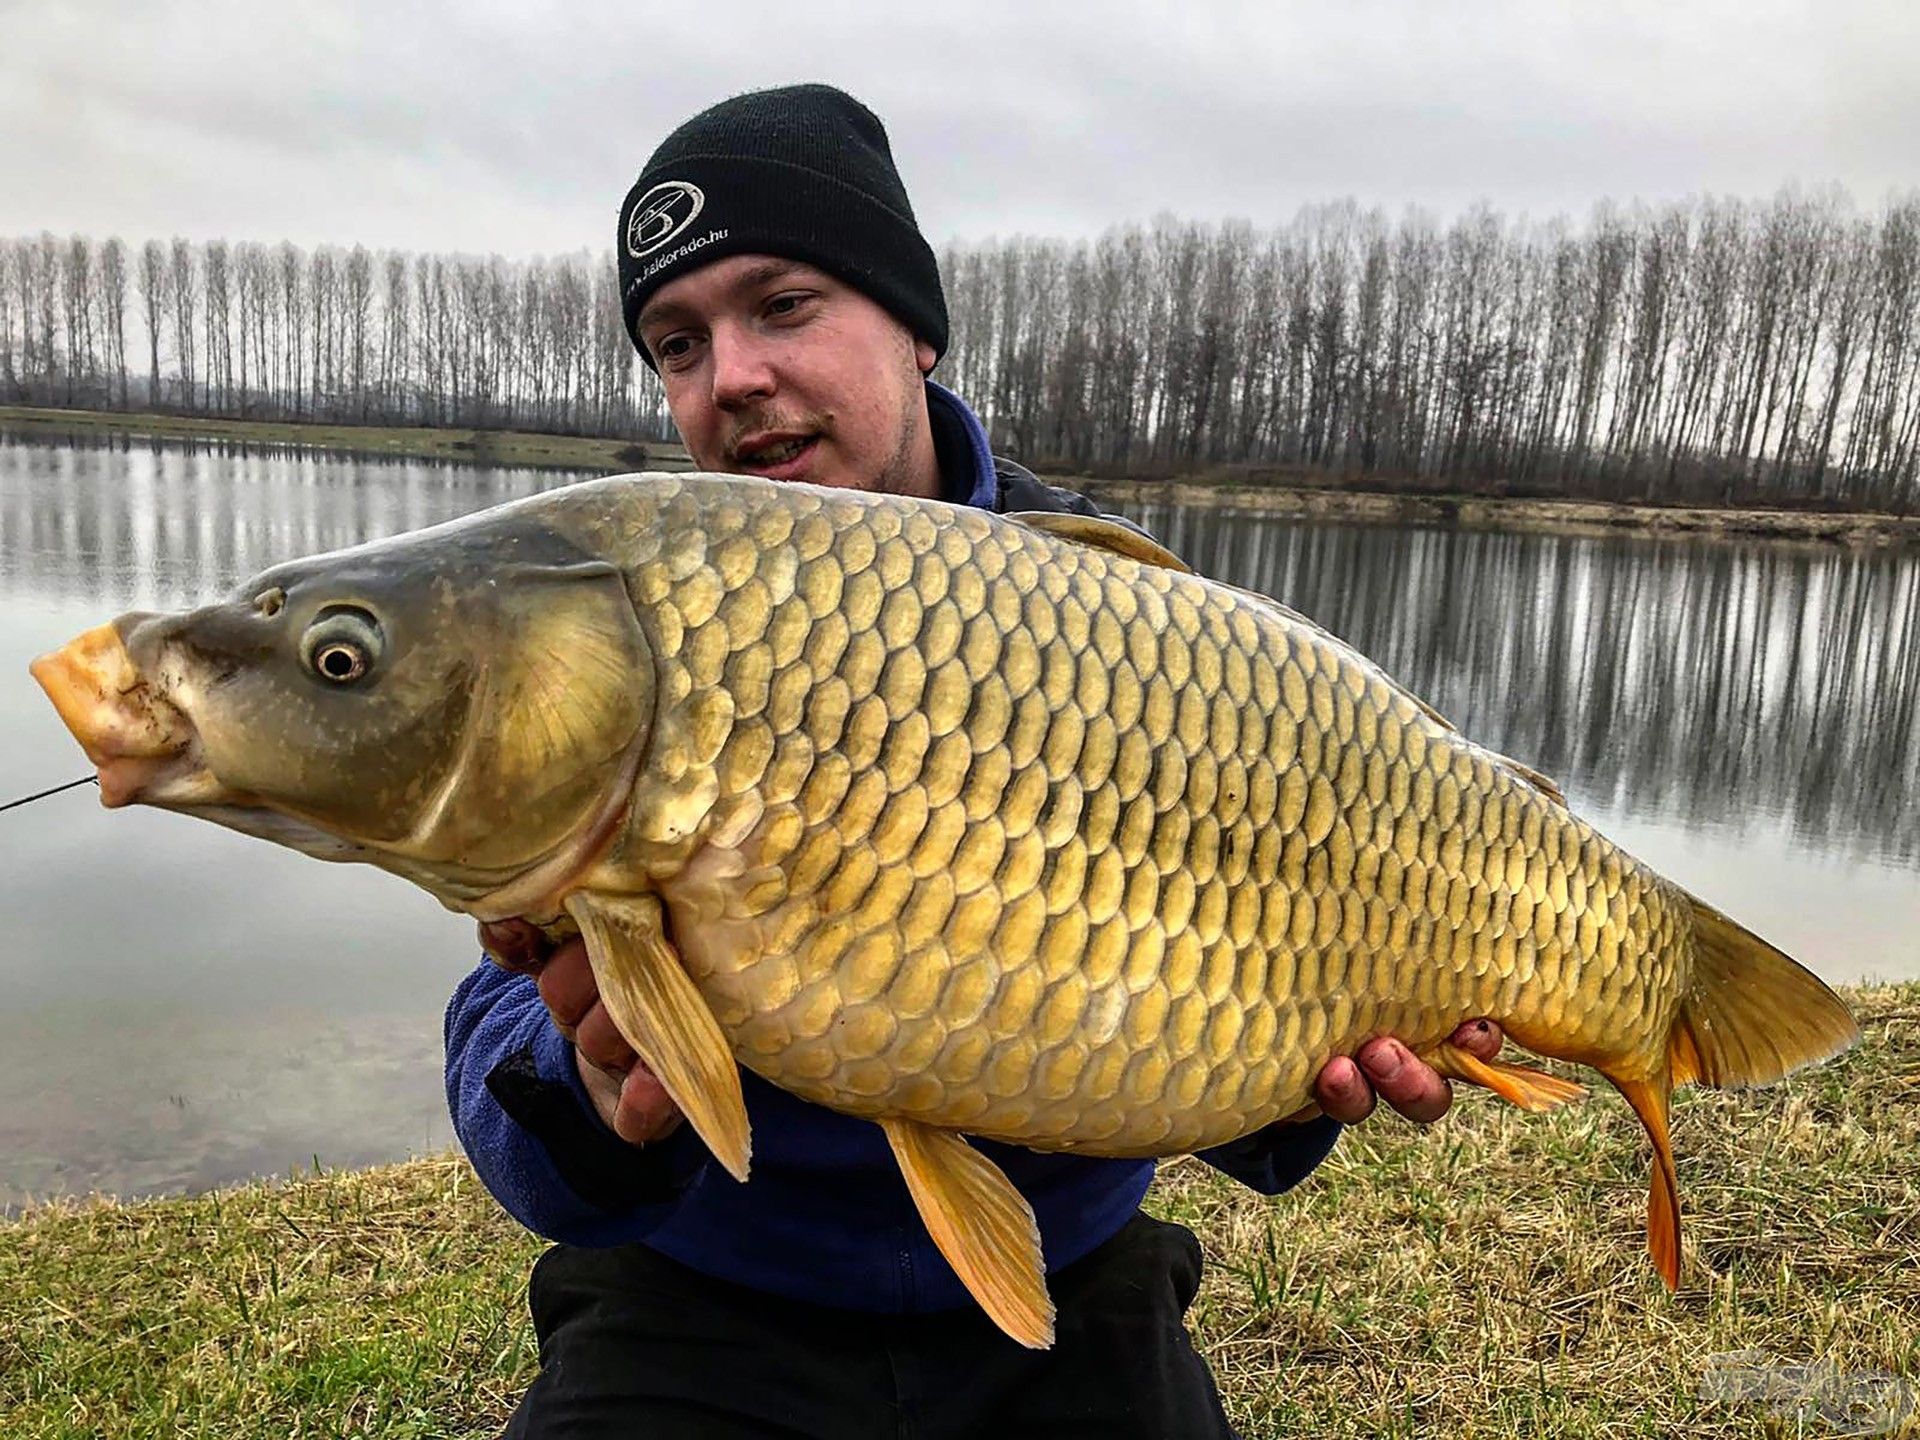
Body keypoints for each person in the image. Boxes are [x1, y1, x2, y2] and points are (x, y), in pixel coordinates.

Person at [447, 83, 1505, 1439]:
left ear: (917, 326)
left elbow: (1229, 990)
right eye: (677, 341)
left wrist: (1299, 1080)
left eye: (781, 305)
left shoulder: (1126, 625)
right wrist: (592, 1084)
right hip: (704, 1292)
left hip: (1067, 1292)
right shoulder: (642, 617)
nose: (734, 378)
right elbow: (496, 1029)